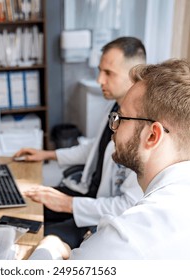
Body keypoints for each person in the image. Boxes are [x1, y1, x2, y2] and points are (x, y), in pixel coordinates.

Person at [30, 59, 190, 260]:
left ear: (152, 136)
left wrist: (50, 248)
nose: (113, 128)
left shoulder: (129, 237)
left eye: (121, 118)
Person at [14, 37, 145, 248]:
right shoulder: (114, 108)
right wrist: (47, 154)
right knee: (25, 204)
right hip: (87, 194)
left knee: (30, 237)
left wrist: (67, 204)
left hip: (100, 214)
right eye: (100, 70)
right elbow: (94, 149)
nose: (100, 80)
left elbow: (127, 207)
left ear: (134, 74)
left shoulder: (141, 131)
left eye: (108, 73)